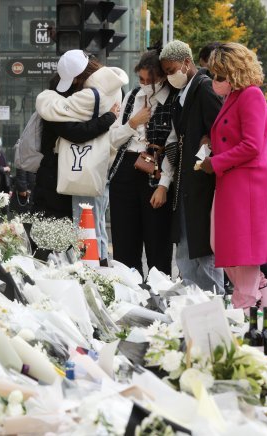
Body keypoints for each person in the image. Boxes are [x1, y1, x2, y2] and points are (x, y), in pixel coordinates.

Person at [201, 43, 267, 307]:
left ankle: (246, 303)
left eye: (220, 75)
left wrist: (216, 162)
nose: (215, 80)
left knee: (241, 250)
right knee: (224, 245)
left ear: (233, 72)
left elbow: (252, 145)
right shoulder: (235, 96)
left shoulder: (250, 95)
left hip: (248, 183)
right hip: (236, 181)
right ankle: (265, 296)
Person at [160, 40, 224, 292]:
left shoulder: (205, 88)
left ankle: (213, 306)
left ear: (187, 63)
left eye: (170, 69)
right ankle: (190, 307)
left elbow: (221, 127)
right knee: (187, 249)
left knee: (203, 250)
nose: (169, 75)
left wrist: (209, 140)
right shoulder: (183, 92)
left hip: (203, 181)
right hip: (188, 182)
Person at [107, 49, 178, 276]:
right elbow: (112, 138)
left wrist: (164, 185)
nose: (146, 85)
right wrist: (132, 123)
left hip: (155, 173)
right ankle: (129, 291)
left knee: (157, 242)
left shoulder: (173, 101)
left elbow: (174, 146)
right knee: (124, 240)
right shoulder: (132, 97)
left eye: (152, 80)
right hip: (124, 169)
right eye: (142, 79)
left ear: (163, 77)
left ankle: (158, 294)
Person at [32, 50, 121, 221]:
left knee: (71, 226)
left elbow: (74, 131)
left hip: (63, 170)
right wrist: (108, 118)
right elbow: (74, 131)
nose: (74, 82)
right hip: (67, 171)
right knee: (86, 227)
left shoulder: (84, 97)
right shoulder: (62, 102)